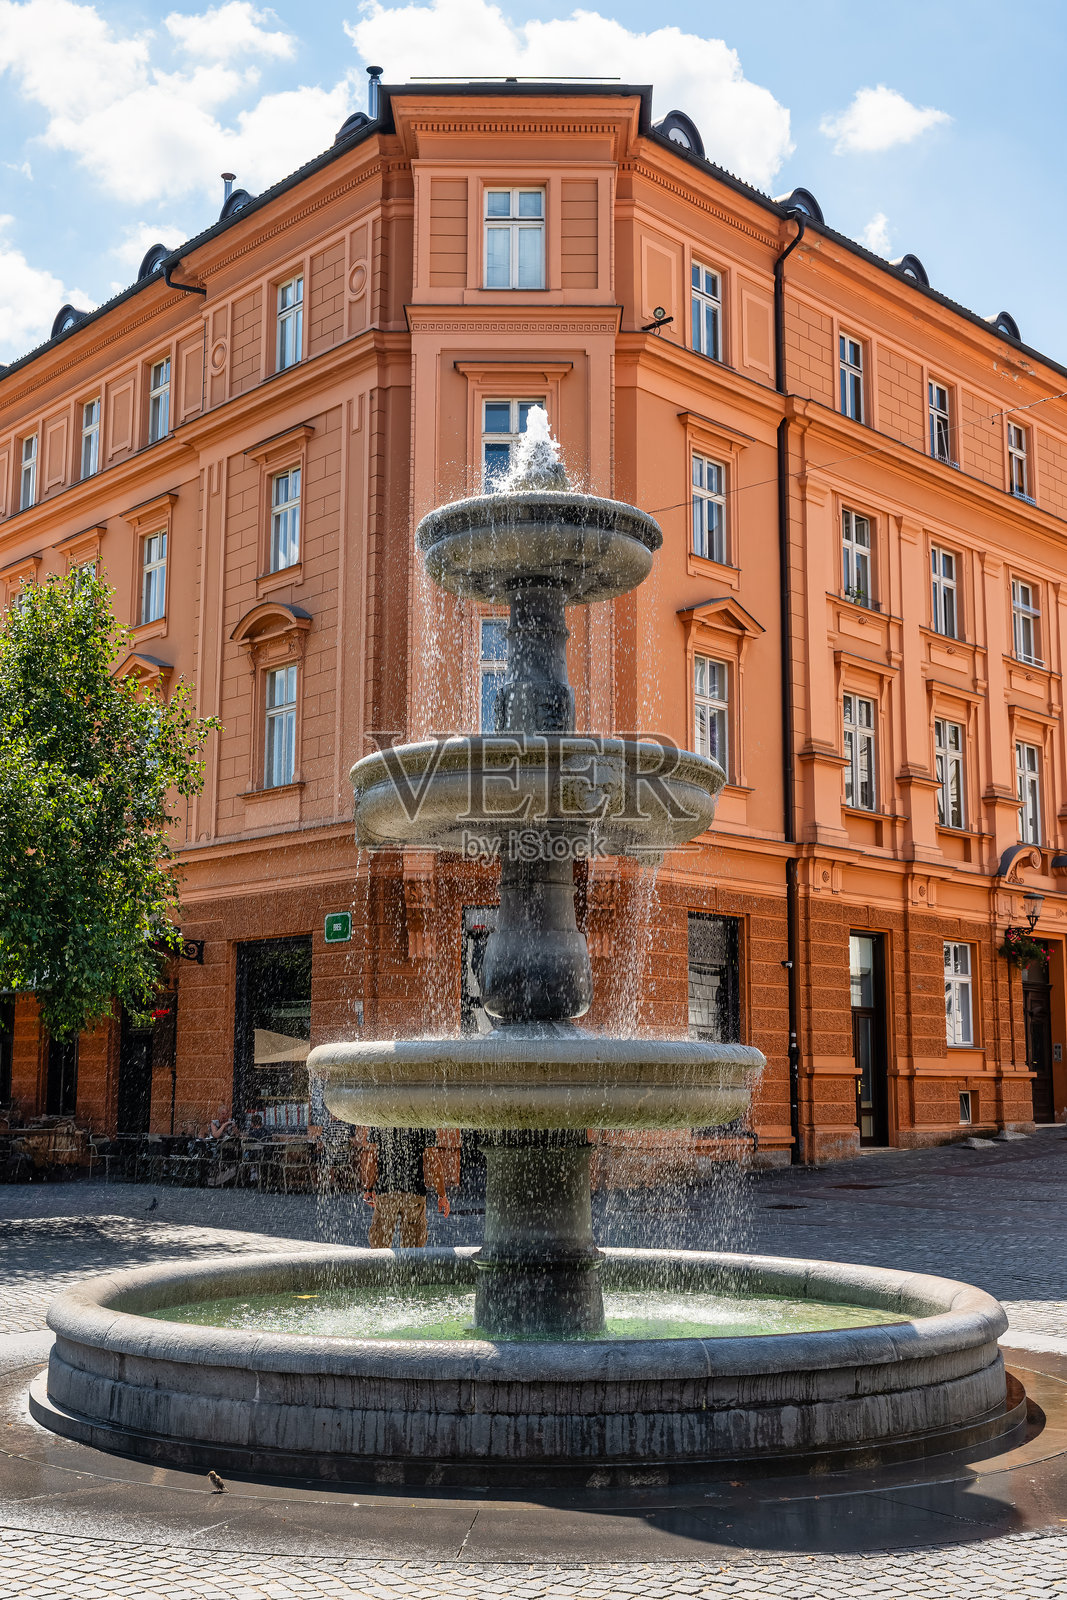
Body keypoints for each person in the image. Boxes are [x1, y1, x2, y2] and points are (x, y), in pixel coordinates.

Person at [365, 1127, 449, 1248]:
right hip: (414, 1195)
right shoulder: (422, 1119)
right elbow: (433, 1162)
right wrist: (442, 1195)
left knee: (379, 1249)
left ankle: (381, 1266)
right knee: (413, 1253)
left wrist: (368, 1189)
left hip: (387, 1193)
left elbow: (372, 1159)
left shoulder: (381, 1115)